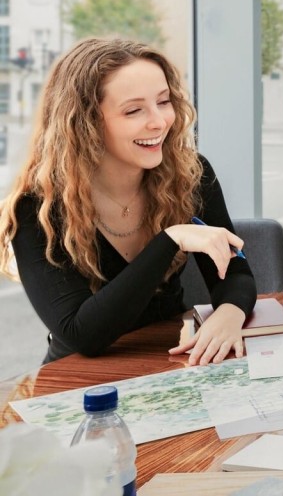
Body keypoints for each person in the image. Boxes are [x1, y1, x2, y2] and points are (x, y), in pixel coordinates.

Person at [0, 38, 256, 366]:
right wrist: (170, 240)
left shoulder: (191, 174)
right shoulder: (37, 208)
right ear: (86, 123)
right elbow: (83, 335)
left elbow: (235, 274)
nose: (159, 121)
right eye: (134, 110)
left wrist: (228, 315)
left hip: (169, 364)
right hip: (78, 383)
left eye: (164, 102)